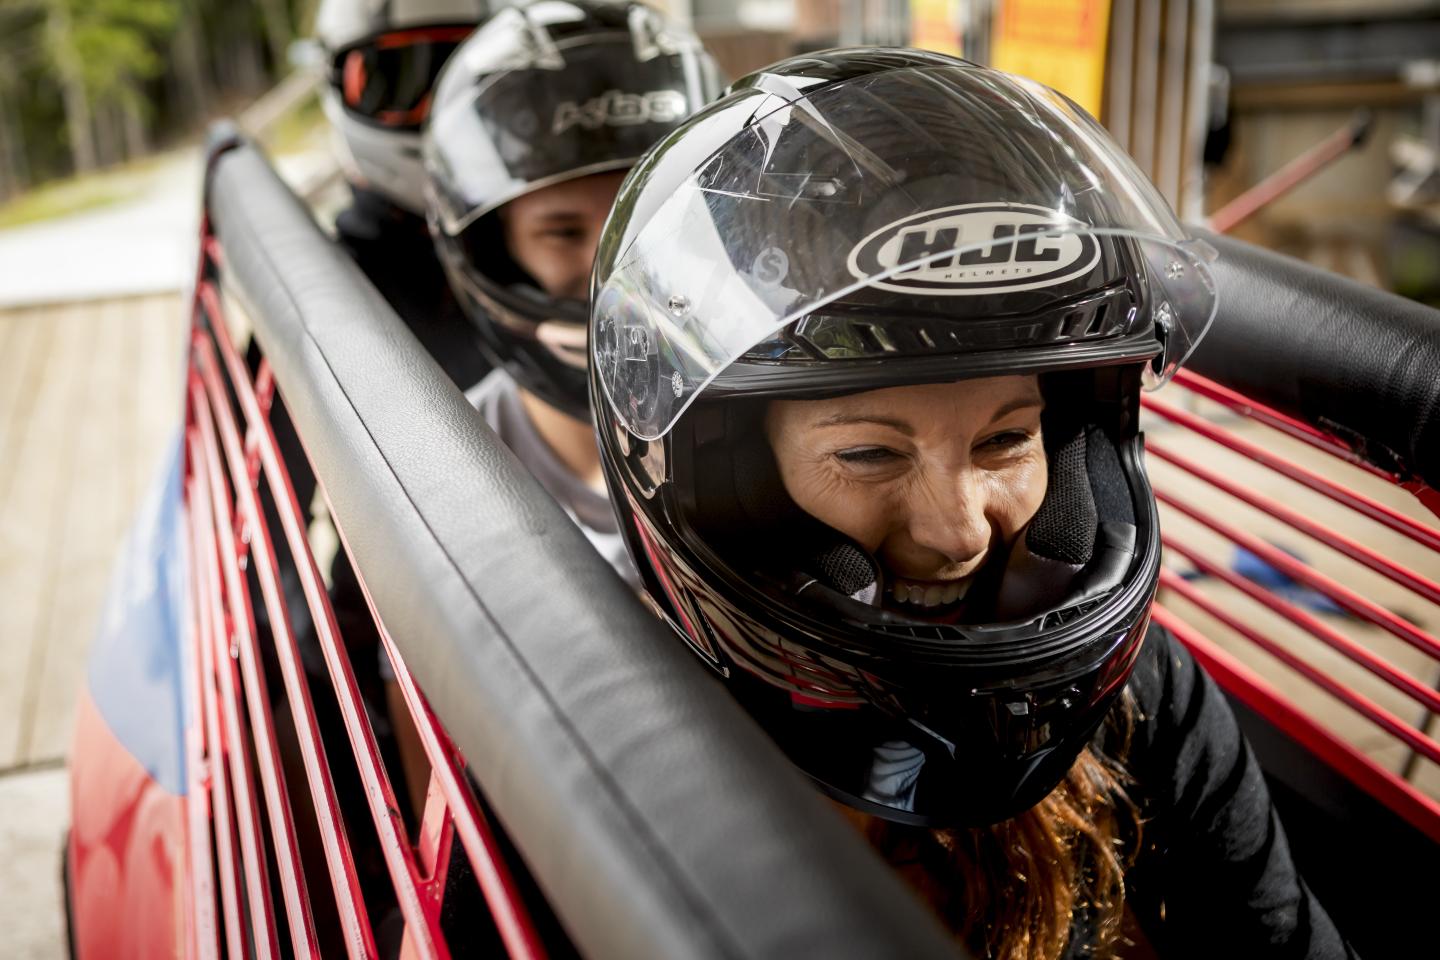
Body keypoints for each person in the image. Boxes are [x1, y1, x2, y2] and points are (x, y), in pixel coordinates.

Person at [588, 50, 1358, 960]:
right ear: (727, 479)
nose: (956, 533)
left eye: (1005, 441)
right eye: (869, 453)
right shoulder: (610, 761)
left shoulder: (1147, 695)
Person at [421, 0, 722, 579]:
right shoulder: (439, 479)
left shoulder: (779, 438)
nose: (610, 265)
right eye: (562, 232)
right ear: (494, 249)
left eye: (646, 218)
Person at [315, 0, 492, 389]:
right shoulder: (324, 298)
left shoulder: (521, 236)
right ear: (339, 81)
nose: (435, 110)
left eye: (459, 75)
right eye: (399, 79)